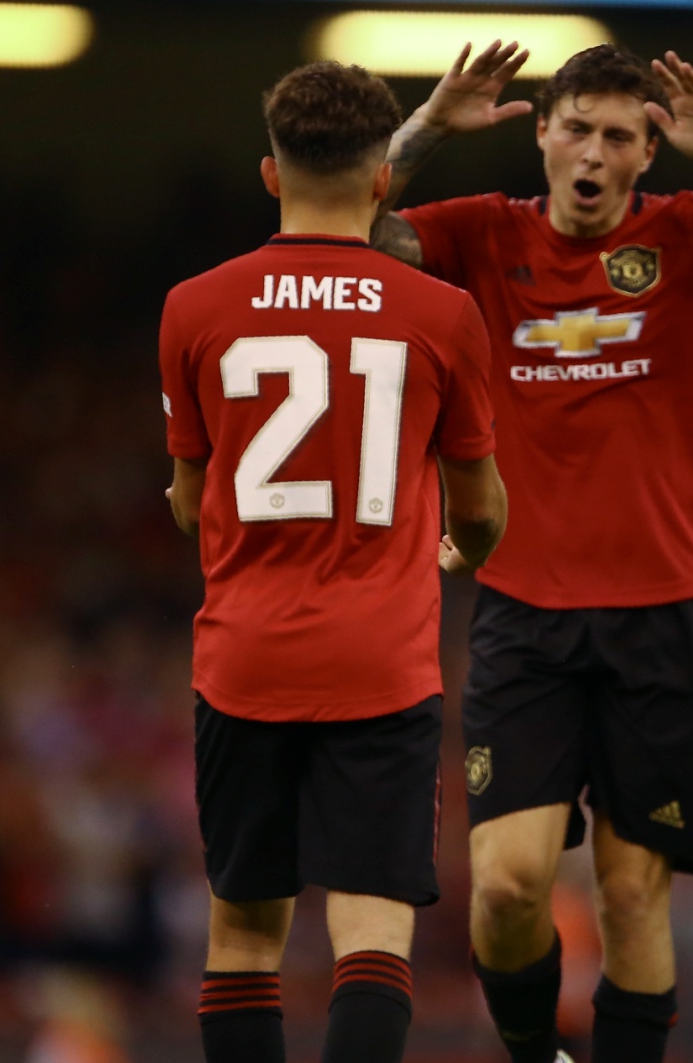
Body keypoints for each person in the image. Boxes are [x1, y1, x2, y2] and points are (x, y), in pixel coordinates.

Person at [368, 41, 693, 1063]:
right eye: (577, 130)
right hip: (524, 609)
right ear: (543, 137)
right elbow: (344, 231)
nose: (594, 153)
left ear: (648, 152)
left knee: (633, 894)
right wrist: (425, 129)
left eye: (618, 136)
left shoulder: (691, 233)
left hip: (666, 611)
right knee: (507, 885)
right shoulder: (484, 233)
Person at [159, 61, 506, 1063]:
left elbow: (188, 501)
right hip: (380, 666)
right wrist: (459, 549)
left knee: (242, 937)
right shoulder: (443, 314)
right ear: (384, 181)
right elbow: (482, 510)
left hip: (244, 661)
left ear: (270, 174)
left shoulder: (192, 307)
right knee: (372, 935)